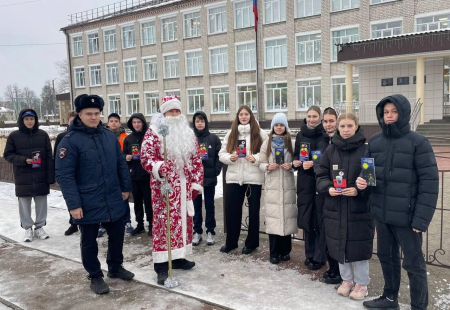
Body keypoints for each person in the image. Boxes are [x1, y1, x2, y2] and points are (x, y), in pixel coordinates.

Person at [359, 95, 439, 310]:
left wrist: (420, 220)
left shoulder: (418, 142)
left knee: (413, 264)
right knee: (387, 257)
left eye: (394, 111)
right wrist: (363, 183)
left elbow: (429, 183)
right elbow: (368, 176)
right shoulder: (374, 142)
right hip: (382, 215)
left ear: (402, 113)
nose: (390, 116)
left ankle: (418, 306)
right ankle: (390, 298)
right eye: (386, 112)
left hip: (407, 217)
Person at [55, 94, 134, 295]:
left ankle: (115, 267)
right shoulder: (69, 141)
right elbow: (65, 175)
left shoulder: (108, 136)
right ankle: (95, 275)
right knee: (89, 241)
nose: (93, 117)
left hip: (113, 196)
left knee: (117, 235)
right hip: (86, 200)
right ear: (79, 115)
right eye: (88, 113)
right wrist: (73, 205)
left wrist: (125, 188)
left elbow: (120, 164)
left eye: (97, 113)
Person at [140, 95, 204, 285]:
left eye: (177, 111)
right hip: (164, 188)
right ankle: (161, 266)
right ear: (164, 113)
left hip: (184, 187)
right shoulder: (154, 132)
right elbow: (145, 157)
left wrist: (195, 182)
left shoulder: (188, 133)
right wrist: (159, 166)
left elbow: (196, 160)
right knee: (164, 225)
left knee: (183, 223)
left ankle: (178, 257)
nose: (175, 115)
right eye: (171, 111)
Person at [316, 113, 374, 300]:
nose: (346, 130)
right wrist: (328, 188)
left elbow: (370, 178)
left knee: (359, 247)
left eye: (350, 126)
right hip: (335, 206)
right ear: (338, 128)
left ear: (357, 126)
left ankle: (362, 283)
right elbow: (321, 174)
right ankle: (347, 280)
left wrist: (358, 190)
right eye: (343, 126)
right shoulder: (331, 151)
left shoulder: (366, 150)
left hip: (358, 208)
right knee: (339, 244)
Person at [218, 105, 268, 254]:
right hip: (234, 178)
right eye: (241, 114)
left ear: (250, 116)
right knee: (232, 211)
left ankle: (251, 243)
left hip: (253, 178)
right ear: (238, 117)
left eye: (246, 114)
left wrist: (256, 158)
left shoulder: (259, 133)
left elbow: (266, 152)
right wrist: (230, 157)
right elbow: (221, 154)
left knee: (253, 211)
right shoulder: (231, 133)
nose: (244, 117)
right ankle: (231, 242)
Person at [4, 109, 55, 242]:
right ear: (22, 120)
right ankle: (27, 228)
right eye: (26, 119)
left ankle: (39, 227)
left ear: (35, 120)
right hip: (23, 176)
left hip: (40, 175)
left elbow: (49, 158)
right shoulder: (14, 136)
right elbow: (8, 155)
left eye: (32, 119)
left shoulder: (43, 135)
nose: (29, 121)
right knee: (24, 204)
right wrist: (23, 160)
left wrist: (50, 176)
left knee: (41, 203)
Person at [259, 113, 297, 264]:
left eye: (281, 125)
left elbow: (297, 160)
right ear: (273, 127)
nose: (279, 127)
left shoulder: (291, 142)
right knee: (274, 219)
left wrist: (291, 165)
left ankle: (285, 251)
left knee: (286, 218)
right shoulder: (267, 143)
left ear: (285, 127)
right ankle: (274, 252)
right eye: (276, 125)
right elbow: (261, 162)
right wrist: (268, 166)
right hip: (273, 186)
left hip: (287, 185)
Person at [293, 105, 326, 270]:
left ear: (319, 118)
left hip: (320, 180)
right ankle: (310, 253)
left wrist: (315, 163)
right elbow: (295, 154)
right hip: (305, 180)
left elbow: (327, 158)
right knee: (307, 217)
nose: (312, 119)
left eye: (315, 116)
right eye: (309, 116)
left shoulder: (324, 135)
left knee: (319, 218)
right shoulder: (300, 135)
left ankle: (320, 256)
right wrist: (295, 162)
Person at [316, 107, 342, 284]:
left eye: (331, 121)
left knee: (339, 233)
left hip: (341, 192)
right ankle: (332, 267)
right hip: (325, 191)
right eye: (325, 121)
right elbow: (320, 167)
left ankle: (341, 271)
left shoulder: (342, 139)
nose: (328, 124)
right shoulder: (322, 140)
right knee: (327, 231)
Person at [191, 111, 222, 246]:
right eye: (197, 121)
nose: (200, 123)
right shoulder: (190, 139)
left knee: (209, 205)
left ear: (206, 122)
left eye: (202, 121)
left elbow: (219, 156)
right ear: (194, 123)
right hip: (195, 179)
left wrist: (216, 170)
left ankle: (210, 231)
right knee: (196, 206)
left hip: (209, 177)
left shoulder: (213, 139)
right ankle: (197, 231)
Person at [123, 113, 152, 236]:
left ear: (143, 123)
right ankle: (139, 224)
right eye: (134, 122)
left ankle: (151, 224)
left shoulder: (148, 137)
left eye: (139, 122)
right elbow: (122, 155)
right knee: (137, 202)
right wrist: (126, 157)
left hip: (146, 175)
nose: (136, 125)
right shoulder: (128, 139)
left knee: (149, 202)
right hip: (134, 175)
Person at [106, 112, 134, 236]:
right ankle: (104, 223)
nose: (113, 123)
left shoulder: (125, 137)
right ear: (108, 123)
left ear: (119, 123)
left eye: (116, 121)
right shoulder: (103, 136)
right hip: (106, 172)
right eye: (111, 121)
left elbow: (129, 152)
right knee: (106, 198)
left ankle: (126, 220)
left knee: (124, 196)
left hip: (122, 170)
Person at [54, 111, 78, 236]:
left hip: (82, 174)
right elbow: (57, 157)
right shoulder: (62, 137)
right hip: (68, 174)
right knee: (70, 199)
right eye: (71, 121)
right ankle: (73, 223)